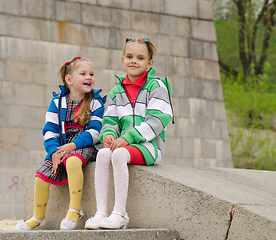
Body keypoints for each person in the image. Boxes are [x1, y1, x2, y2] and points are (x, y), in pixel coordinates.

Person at [84, 37, 174, 230]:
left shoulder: (157, 87)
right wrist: (108, 134)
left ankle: (120, 213)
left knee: (118, 153)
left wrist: (128, 137)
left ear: (150, 63)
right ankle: (101, 213)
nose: (134, 61)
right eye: (129, 56)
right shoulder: (117, 91)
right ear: (122, 59)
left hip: (149, 146)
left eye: (140, 58)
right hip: (124, 143)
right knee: (103, 152)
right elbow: (111, 120)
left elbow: (158, 121)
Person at [16, 56, 106, 231]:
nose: (89, 77)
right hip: (61, 149)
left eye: (91, 74)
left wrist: (73, 146)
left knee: (72, 160)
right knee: (41, 174)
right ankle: (38, 217)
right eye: (83, 74)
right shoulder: (57, 102)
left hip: (85, 148)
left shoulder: (95, 102)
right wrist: (53, 153)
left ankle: (74, 209)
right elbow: (50, 130)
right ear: (69, 80)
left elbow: (96, 131)